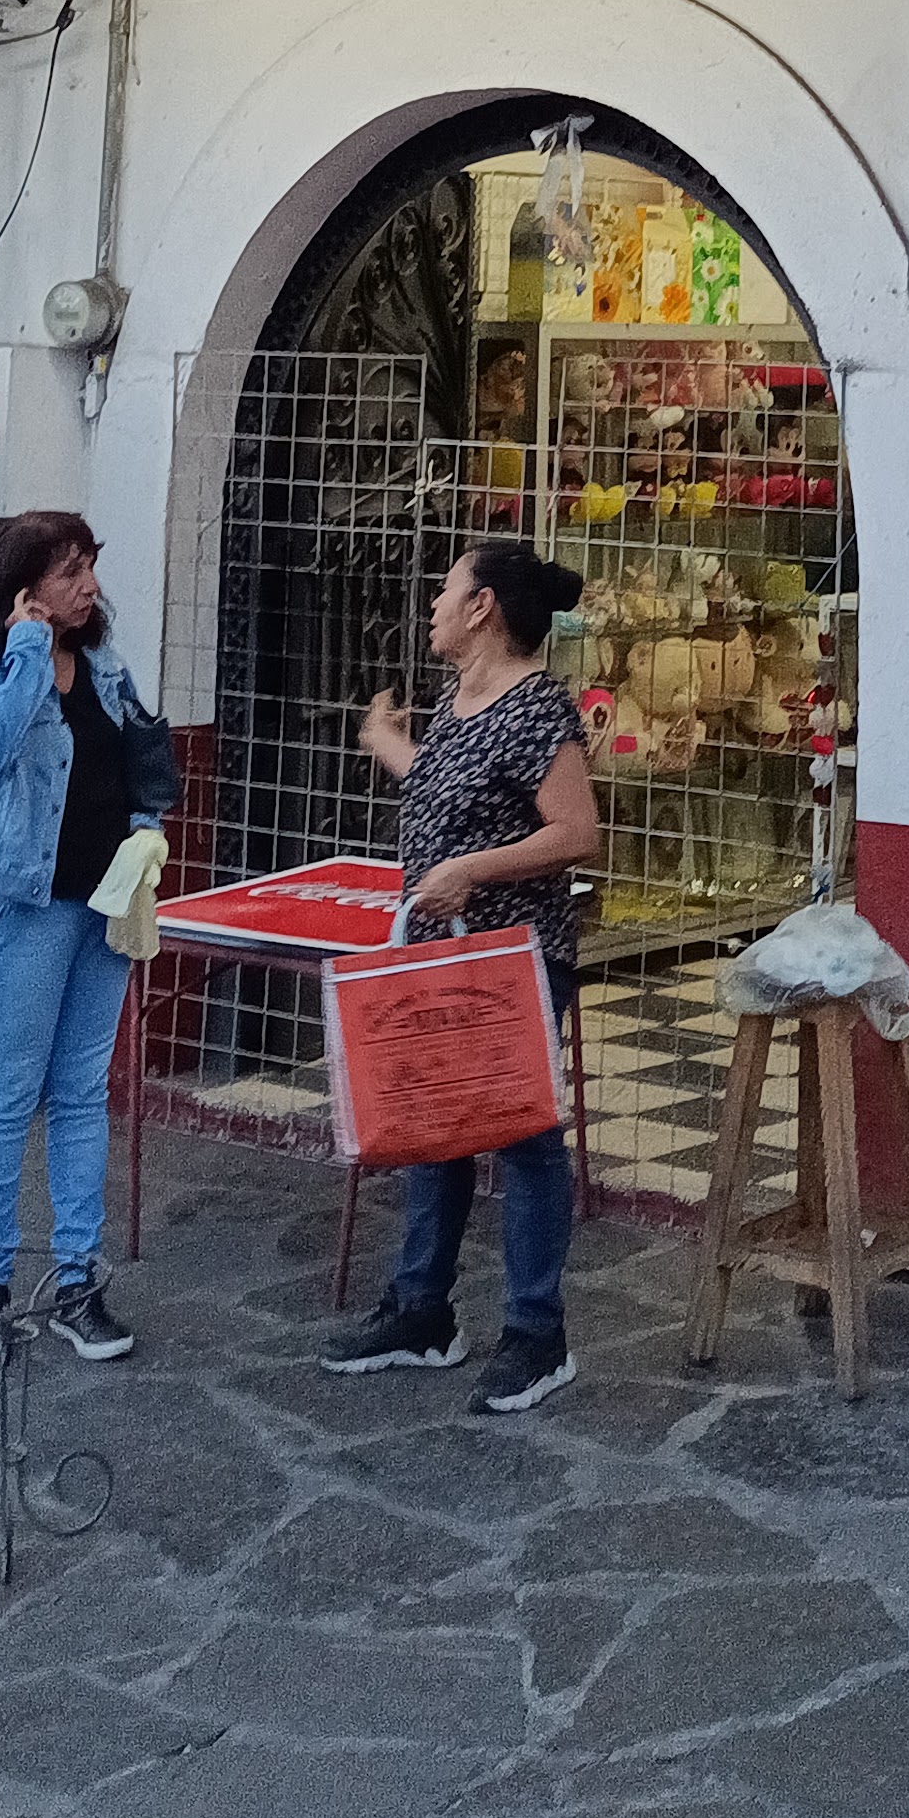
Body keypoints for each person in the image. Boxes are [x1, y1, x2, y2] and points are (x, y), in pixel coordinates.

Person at [324, 537, 602, 1415]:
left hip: (510, 960)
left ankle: (535, 1332)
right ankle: (422, 1310)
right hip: (439, 960)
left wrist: (472, 871)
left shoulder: (536, 709)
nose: (434, 604)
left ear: (482, 606)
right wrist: (386, 743)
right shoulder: (460, 699)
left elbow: (574, 832)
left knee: (522, 1142)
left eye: (446, 589)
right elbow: (451, 786)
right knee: (434, 1130)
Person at [0, 509, 174, 1364]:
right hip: (23, 905)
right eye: (71, 571)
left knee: (79, 1094)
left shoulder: (107, 663)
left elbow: (143, 757)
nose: (90, 586)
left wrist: (146, 831)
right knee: (9, 1092)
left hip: (104, 903)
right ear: (24, 584)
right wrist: (30, 655)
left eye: (91, 568)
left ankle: (78, 1282)